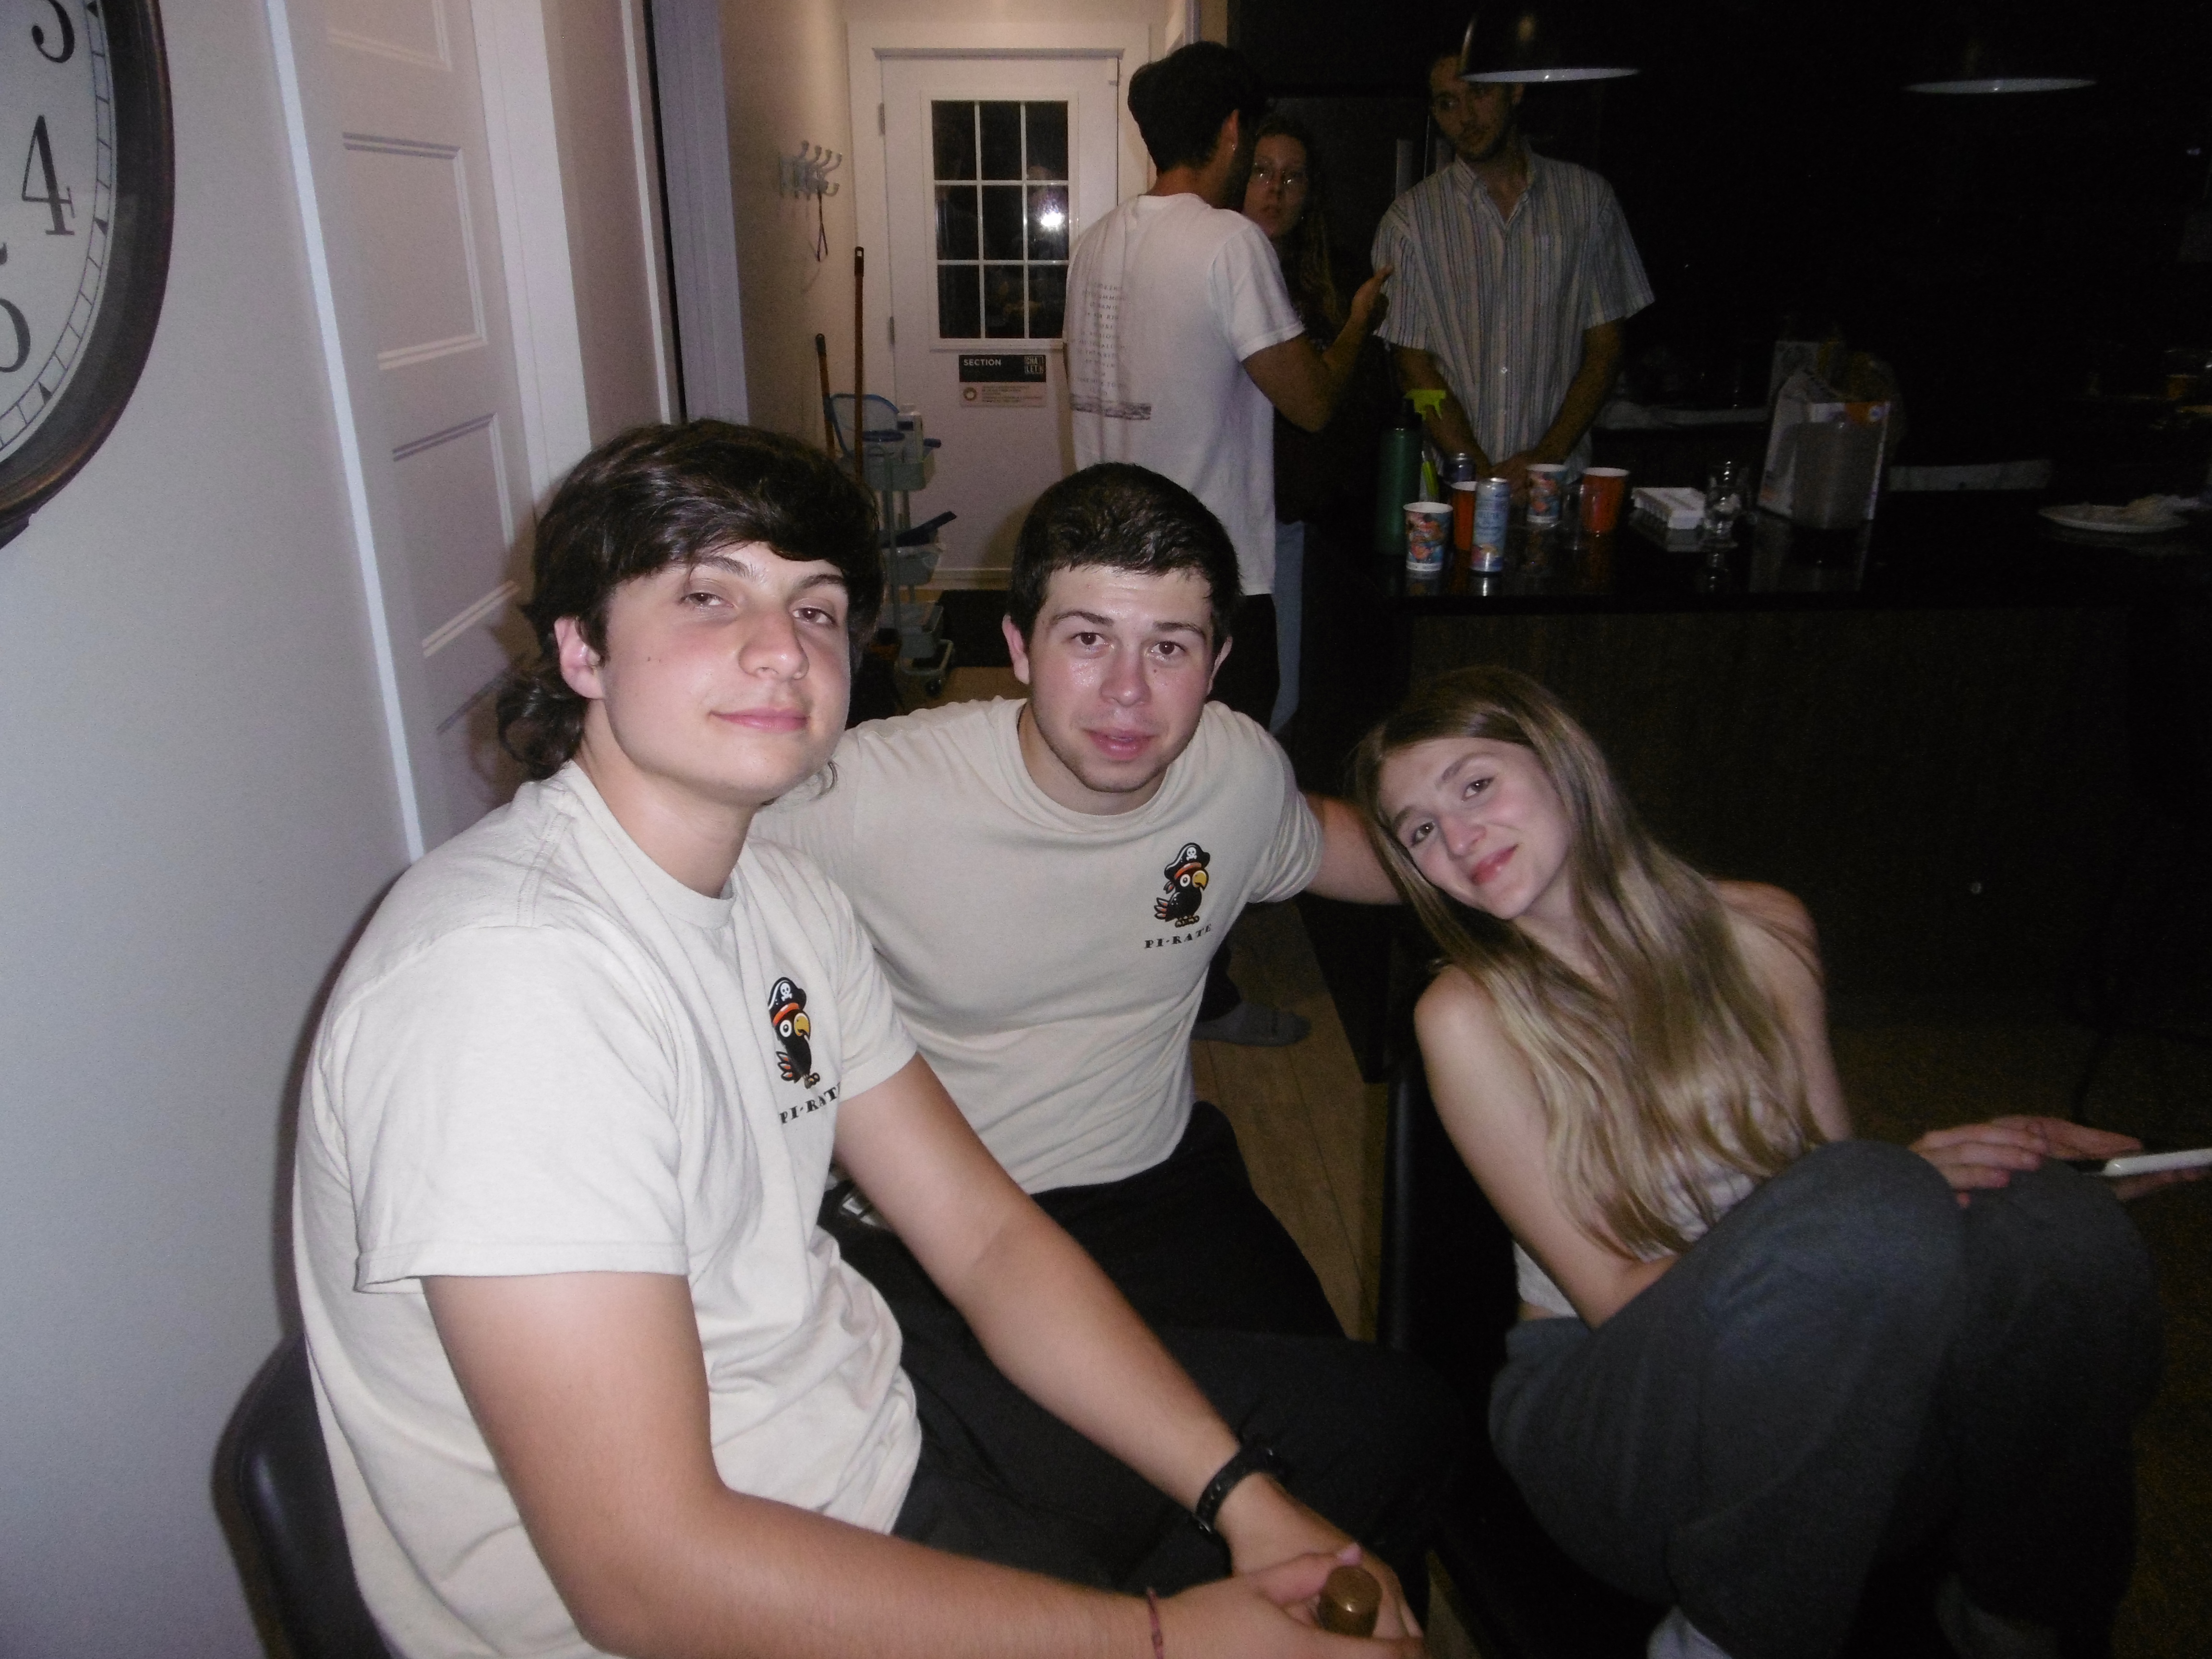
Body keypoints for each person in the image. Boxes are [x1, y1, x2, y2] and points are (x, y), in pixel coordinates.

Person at [293, 422, 1435, 1659]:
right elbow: (643, 1574)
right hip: (694, 1596)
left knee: (1379, 1426)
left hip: (865, 1413)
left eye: (816, 608)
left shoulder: (779, 900)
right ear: (581, 647)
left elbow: (988, 1238)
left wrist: (1242, 1497)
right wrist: (1159, 1641)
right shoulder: (508, 987)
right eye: (708, 595)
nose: (781, 648)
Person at [1351, 666, 2181, 1659]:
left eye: (1475, 784)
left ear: (1565, 762)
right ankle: (1725, 1636)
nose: (1457, 837)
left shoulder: (1762, 929)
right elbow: (1616, 1291)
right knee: (1878, 1201)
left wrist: (1974, 1181)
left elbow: (1825, 1187)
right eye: (1420, 830)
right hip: (1618, 1420)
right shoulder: (1467, 1014)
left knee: (2057, 1229)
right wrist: (1896, 1185)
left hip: (1802, 1381)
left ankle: (2020, 1616)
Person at [754, 462, 1459, 1598]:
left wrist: (1555, 876)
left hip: (1160, 1186)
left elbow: (1336, 845)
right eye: (1087, 639)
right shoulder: (868, 797)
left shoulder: (1234, 771)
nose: (1128, 693)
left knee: (1379, 1444)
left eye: (1169, 647)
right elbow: (675, 845)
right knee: (1071, 1529)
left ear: (1217, 664)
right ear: (1020, 646)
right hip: (938, 1225)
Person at [1067, 41, 1389, 1041]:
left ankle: (1123, 969)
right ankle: (1197, 994)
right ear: (1233, 133)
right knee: (1206, 794)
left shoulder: (1099, 240)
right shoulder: (1228, 244)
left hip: (1106, 564)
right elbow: (1312, 401)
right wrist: (1358, 322)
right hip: (1203, 582)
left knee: (1133, 779)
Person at [1372, 46, 1653, 497]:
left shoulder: (1588, 201)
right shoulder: (1409, 222)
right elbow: (1412, 366)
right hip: (1454, 494)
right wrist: (1483, 476)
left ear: (1516, 89)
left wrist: (1546, 459)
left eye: (1479, 94)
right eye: (1448, 103)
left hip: (1558, 487)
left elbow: (1605, 348)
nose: (1466, 116)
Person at [1239, 111, 1392, 738]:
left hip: (1298, 516)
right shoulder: (1216, 266)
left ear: (1310, 193)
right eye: (1261, 172)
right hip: (1219, 506)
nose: (1275, 191)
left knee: (1286, 695)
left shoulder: (1333, 280)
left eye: (1292, 177)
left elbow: (1344, 406)